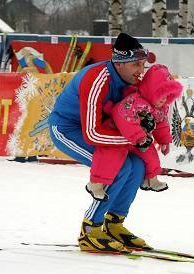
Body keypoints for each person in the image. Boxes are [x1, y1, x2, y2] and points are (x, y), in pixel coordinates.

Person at [48, 33, 156, 253]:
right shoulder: (97, 78)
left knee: (136, 166)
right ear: (120, 63)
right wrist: (135, 139)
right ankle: (90, 229)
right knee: (118, 168)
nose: (141, 70)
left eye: (143, 64)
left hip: (100, 131)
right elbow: (92, 133)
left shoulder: (131, 80)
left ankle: (114, 224)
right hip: (67, 130)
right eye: (136, 64)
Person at [85, 64, 183, 201]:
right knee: (111, 156)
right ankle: (95, 184)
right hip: (117, 132)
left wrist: (164, 140)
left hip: (138, 138)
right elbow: (122, 116)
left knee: (151, 154)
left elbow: (161, 124)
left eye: (167, 96)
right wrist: (138, 135)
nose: (163, 100)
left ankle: (151, 180)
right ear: (151, 90)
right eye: (160, 95)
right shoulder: (135, 102)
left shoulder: (160, 107)